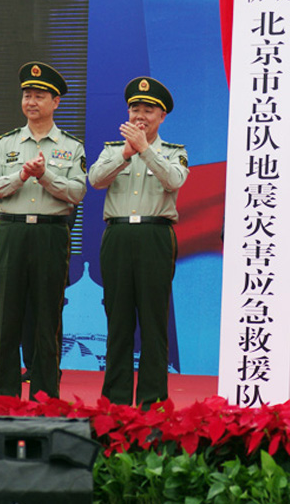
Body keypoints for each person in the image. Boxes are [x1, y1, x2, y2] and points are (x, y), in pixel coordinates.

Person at [0, 62, 86, 399]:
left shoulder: (71, 146)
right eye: (27, 95)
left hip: (50, 233)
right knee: (6, 315)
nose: (31, 101)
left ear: (56, 102)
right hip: (10, 232)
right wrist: (21, 176)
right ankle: (4, 396)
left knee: (47, 316)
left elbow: (77, 192)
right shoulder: (5, 143)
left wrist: (45, 176)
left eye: (39, 96)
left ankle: (45, 394)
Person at [89, 76, 189, 407]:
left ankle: (152, 400)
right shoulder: (112, 150)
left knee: (153, 321)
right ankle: (115, 400)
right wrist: (126, 154)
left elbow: (174, 181)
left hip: (155, 235)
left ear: (162, 116)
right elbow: (95, 180)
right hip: (117, 235)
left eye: (148, 110)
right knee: (117, 319)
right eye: (135, 109)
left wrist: (145, 150)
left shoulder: (174, 152)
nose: (140, 116)